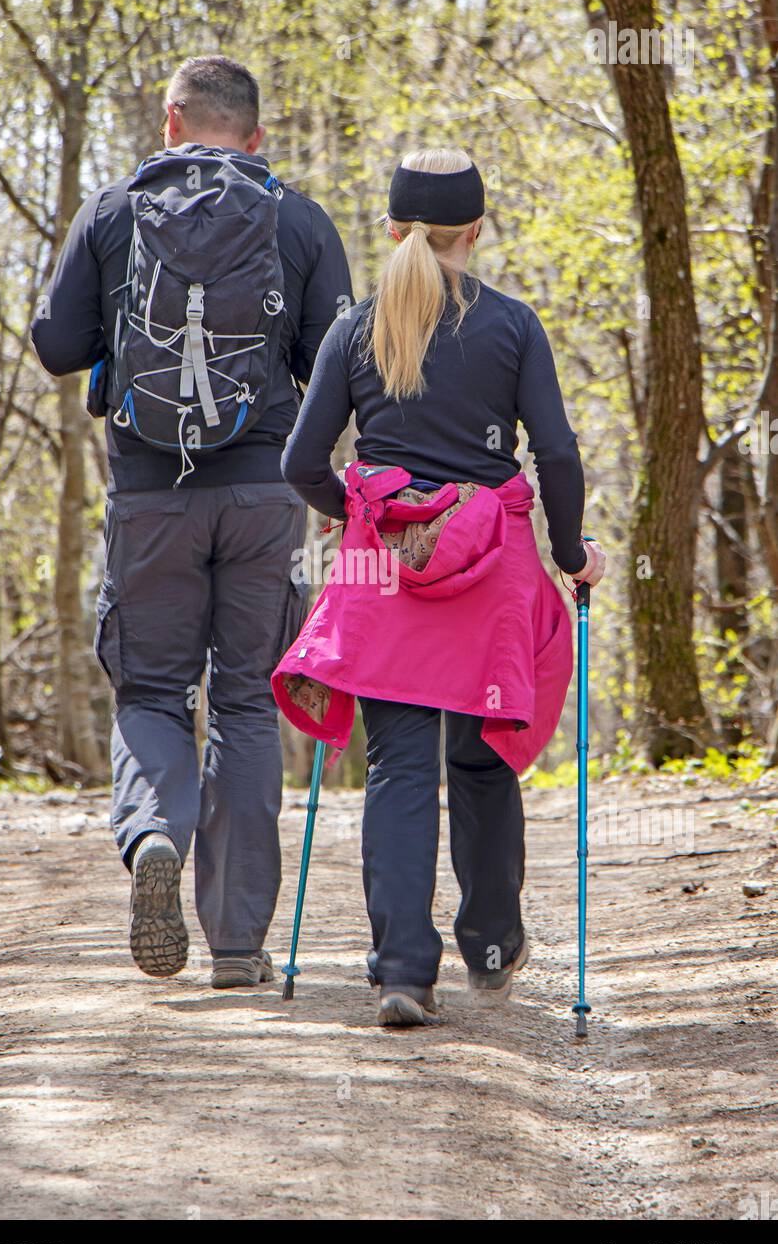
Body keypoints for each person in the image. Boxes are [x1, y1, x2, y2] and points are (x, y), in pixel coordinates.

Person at [32, 56, 352, 985]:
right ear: (254, 136)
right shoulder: (296, 216)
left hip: (148, 494)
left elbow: (57, 345)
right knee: (248, 701)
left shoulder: (111, 212)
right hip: (264, 495)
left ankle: (154, 836)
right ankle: (240, 945)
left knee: (152, 692)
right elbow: (337, 359)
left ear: (171, 122)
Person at [277, 148, 606, 1027]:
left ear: (391, 230)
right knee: (483, 754)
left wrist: (354, 513)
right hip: (490, 566)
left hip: (385, 565)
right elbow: (559, 453)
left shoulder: (355, 329)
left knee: (397, 764)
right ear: (476, 230)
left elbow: (303, 461)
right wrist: (571, 552)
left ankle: (400, 974)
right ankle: (492, 944)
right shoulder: (512, 326)